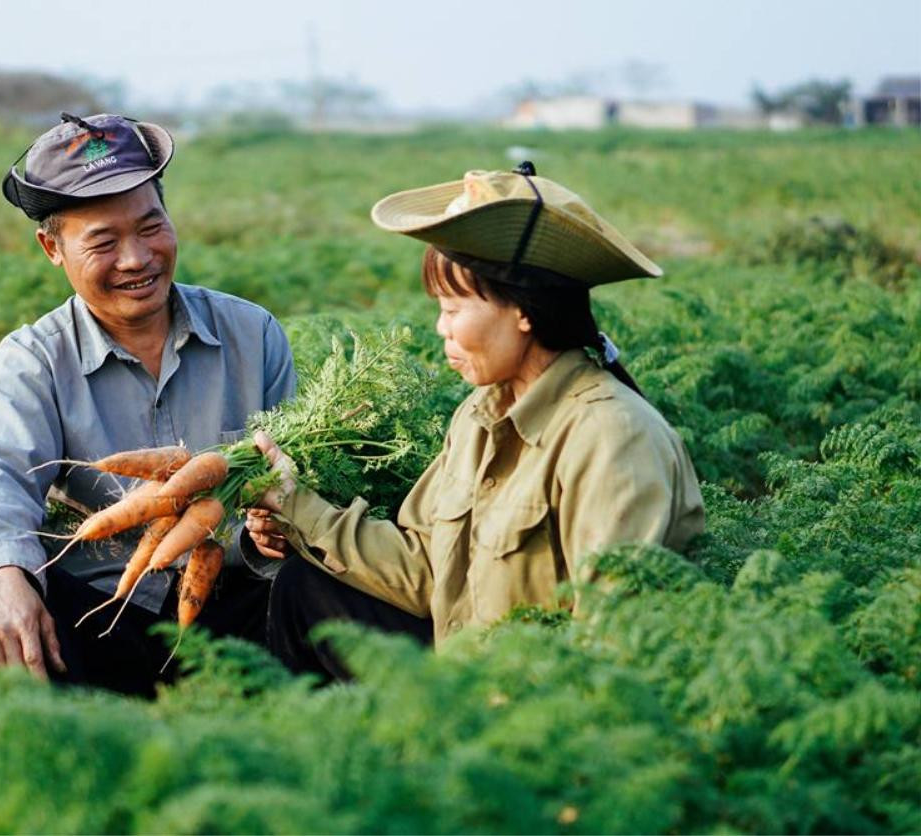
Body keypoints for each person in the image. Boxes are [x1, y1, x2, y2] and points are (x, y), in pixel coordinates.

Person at [249, 164, 704, 680]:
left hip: (534, 708)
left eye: (452, 308)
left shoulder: (612, 437)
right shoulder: (479, 415)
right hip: (466, 671)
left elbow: (611, 643)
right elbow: (424, 568)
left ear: (523, 311)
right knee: (301, 588)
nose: (441, 329)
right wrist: (294, 504)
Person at [0, 113, 295, 696]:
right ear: (51, 247)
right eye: (104, 242)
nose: (137, 259)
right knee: (4, 617)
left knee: (323, 594)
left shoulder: (252, 333)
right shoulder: (33, 360)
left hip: (236, 598)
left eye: (150, 227)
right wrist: (5, 577)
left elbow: (291, 468)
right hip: (98, 610)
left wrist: (274, 524)